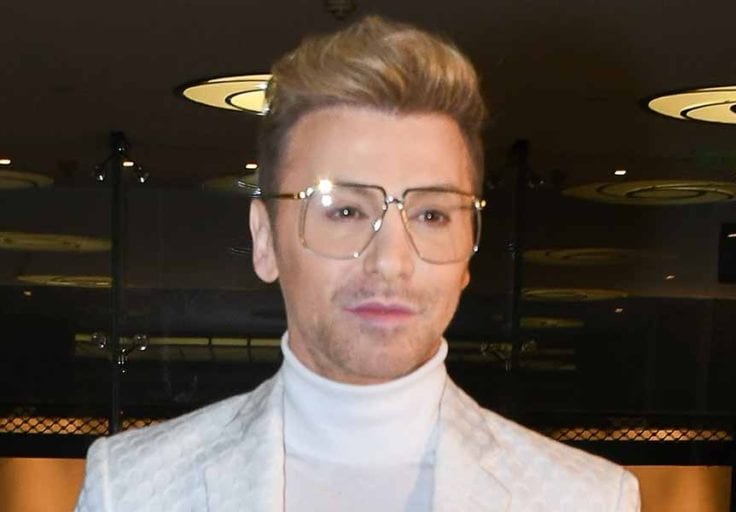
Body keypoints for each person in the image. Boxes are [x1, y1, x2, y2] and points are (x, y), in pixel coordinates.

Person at [76, 16, 640, 511]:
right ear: (264, 239)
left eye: (432, 215)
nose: (391, 262)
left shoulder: (588, 499)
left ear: (470, 246)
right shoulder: (130, 489)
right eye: (345, 210)